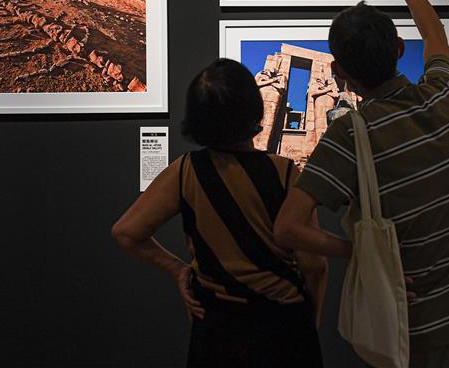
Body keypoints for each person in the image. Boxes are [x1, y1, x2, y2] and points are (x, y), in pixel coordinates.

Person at [274, 0, 449, 367]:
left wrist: (363, 254)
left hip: (415, 333)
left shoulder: (350, 136)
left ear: (339, 72)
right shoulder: (443, 93)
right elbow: (435, 38)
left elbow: (287, 227)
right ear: (399, 49)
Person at [112, 59, 327, 368]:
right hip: (282, 323)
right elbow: (314, 265)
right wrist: (311, 317)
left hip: (217, 326)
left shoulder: (186, 171)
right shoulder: (284, 172)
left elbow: (126, 232)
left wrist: (179, 269)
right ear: (254, 109)